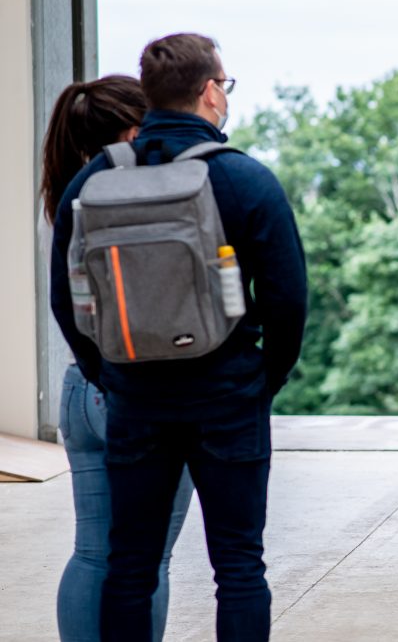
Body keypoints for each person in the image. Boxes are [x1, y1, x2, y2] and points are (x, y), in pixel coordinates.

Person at [50, 34, 308, 641]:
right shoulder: (245, 179)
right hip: (226, 397)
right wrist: (258, 381)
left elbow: (68, 301)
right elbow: (288, 302)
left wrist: (110, 373)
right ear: (211, 90)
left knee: (129, 565)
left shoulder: (92, 182)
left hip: (136, 399)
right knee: (239, 567)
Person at [40, 76, 195, 642]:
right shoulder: (142, 199)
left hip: (82, 387)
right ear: (134, 130)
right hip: (140, 391)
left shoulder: (68, 194)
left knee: (93, 553)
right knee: (147, 561)